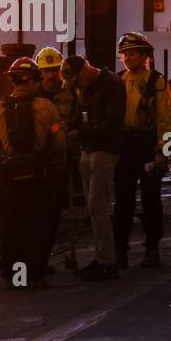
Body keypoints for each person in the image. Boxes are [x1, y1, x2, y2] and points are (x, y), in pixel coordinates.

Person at [0, 57, 66, 289]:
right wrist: (58, 165)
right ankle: (36, 273)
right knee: (41, 224)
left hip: (10, 177)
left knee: (12, 227)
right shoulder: (47, 107)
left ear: (12, 80)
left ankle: (15, 277)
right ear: (35, 80)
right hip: (40, 176)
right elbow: (59, 142)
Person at [113, 32, 171, 268]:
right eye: (125, 54)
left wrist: (163, 153)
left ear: (145, 56)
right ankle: (120, 250)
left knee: (151, 200)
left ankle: (152, 248)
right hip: (125, 147)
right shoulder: (118, 81)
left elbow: (166, 120)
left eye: (133, 53)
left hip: (148, 145)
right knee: (123, 200)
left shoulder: (157, 82)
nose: (128, 58)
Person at [63, 53, 125, 281]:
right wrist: (68, 126)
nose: (76, 87)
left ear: (86, 70)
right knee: (92, 207)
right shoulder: (85, 87)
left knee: (97, 206)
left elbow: (113, 123)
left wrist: (80, 133)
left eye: (77, 81)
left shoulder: (112, 85)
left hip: (104, 151)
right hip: (88, 150)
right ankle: (102, 257)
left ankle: (107, 261)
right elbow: (82, 116)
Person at [36, 46, 78, 269]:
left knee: (55, 210)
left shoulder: (71, 94)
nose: (51, 75)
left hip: (63, 159)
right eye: (46, 71)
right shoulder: (32, 98)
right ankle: (38, 259)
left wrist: (71, 131)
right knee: (38, 211)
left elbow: (78, 119)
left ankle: (44, 258)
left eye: (54, 70)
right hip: (39, 161)